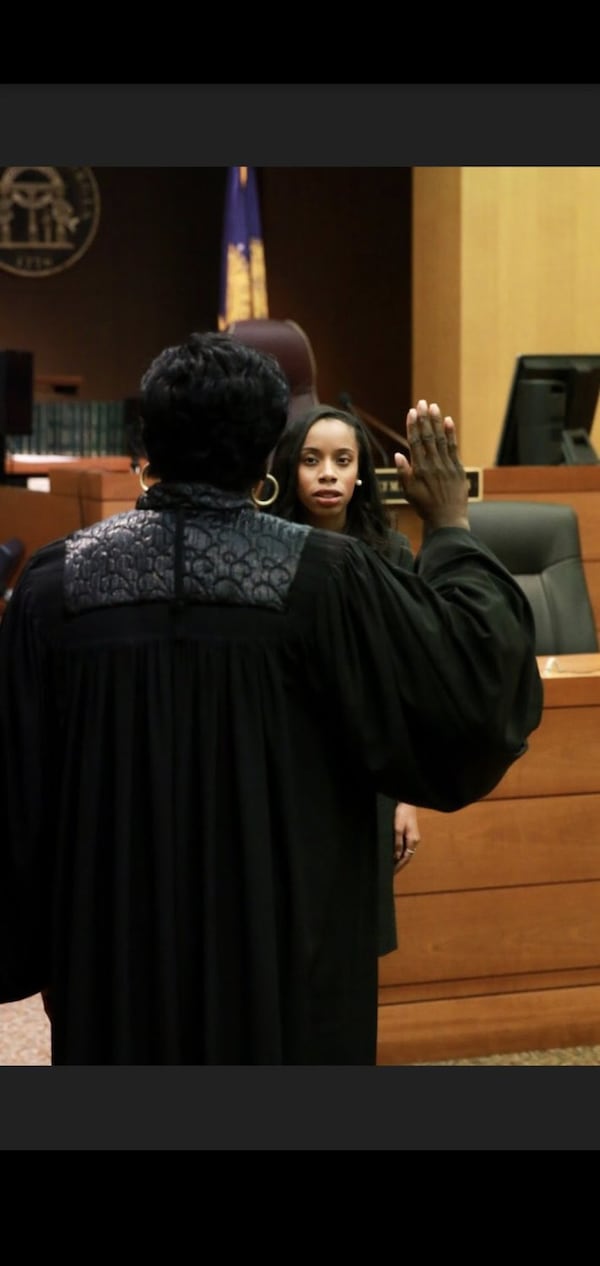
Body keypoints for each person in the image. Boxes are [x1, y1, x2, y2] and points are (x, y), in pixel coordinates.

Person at [0, 331, 543, 1066]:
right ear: (268, 458)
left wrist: (40, 950)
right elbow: (472, 689)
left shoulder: (54, 586)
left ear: (146, 446)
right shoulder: (331, 578)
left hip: (114, 959)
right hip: (291, 956)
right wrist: (448, 525)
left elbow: (18, 798)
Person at [267, 404, 421, 958]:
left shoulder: (391, 554)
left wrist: (405, 798)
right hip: (284, 764)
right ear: (290, 470)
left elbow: (404, 684)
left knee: (353, 938)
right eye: (311, 460)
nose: (327, 473)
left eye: (342, 460)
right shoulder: (265, 552)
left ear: (361, 475)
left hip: (366, 769)